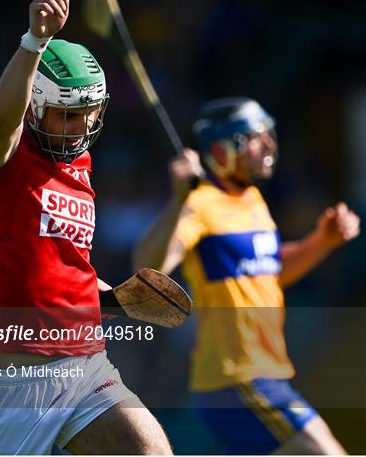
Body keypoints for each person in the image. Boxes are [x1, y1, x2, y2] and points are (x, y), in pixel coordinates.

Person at [0, 0, 172, 455]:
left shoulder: (82, 168)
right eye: (66, 116)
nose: (78, 128)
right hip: (7, 390)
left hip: (83, 367)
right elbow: (0, 116)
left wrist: (113, 295)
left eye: (87, 115)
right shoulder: (3, 156)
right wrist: (34, 40)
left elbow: (64, 262)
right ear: (35, 107)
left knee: (150, 451)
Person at [133, 97, 360, 455]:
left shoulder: (253, 199)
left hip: (266, 375)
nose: (269, 144)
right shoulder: (199, 205)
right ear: (222, 149)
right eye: (256, 137)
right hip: (236, 379)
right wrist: (177, 201)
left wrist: (322, 242)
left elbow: (270, 270)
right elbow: (147, 268)